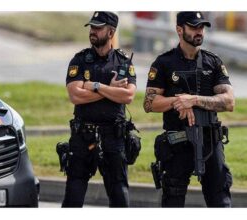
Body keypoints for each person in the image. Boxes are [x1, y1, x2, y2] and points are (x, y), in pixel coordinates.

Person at [144, 11, 235, 207]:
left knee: (220, 202)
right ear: (179, 30)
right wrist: (177, 102)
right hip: (177, 143)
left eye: (201, 27)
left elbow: (229, 102)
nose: (199, 31)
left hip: (211, 142)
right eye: (194, 27)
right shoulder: (163, 63)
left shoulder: (213, 62)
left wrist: (193, 100)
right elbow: (149, 103)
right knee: (173, 201)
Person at [62, 11, 137, 207]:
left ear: (111, 32)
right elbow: (75, 96)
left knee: (120, 198)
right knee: (73, 198)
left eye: (98, 28)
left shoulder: (122, 62)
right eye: (92, 27)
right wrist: (112, 90)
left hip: (114, 138)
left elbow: (128, 96)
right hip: (83, 137)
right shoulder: (80, 60)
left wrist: (95, 86)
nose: (93, 31)